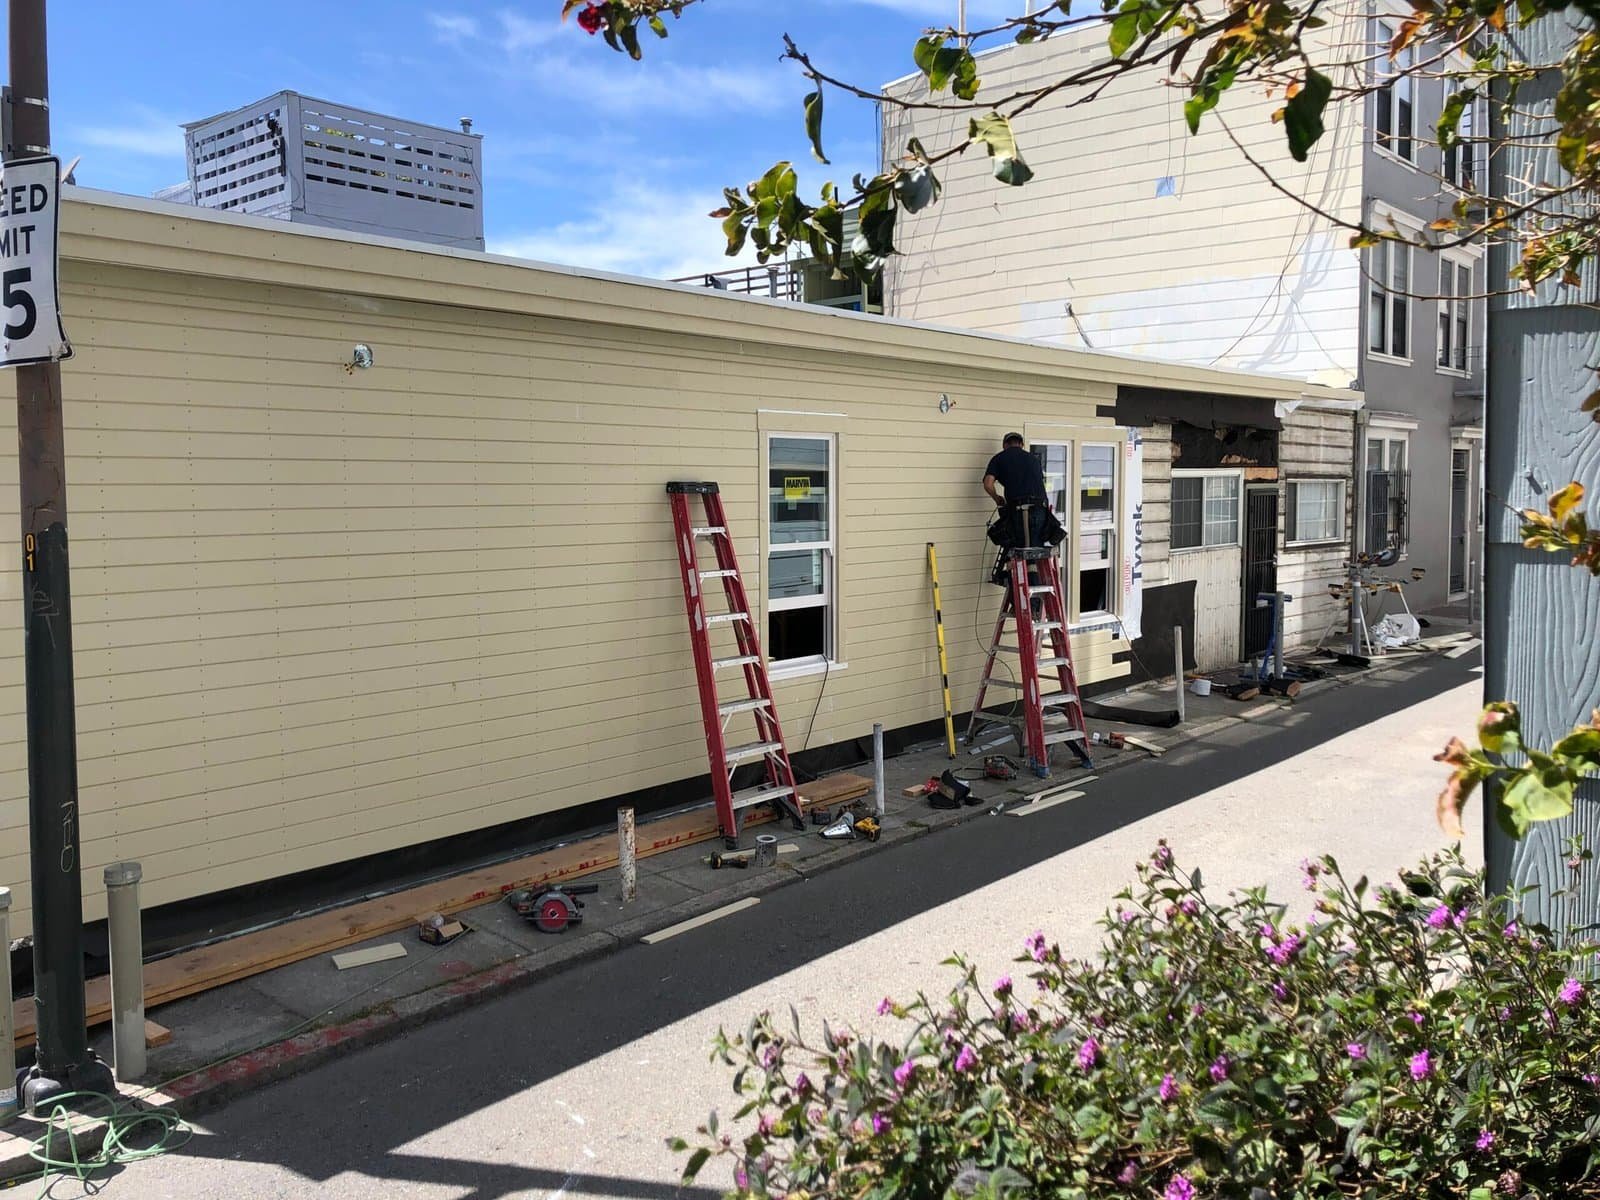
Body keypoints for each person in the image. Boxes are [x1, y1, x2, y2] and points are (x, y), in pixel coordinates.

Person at [983, 432, 1050, 549]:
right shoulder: (1034, 459)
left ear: (1004, 445)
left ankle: (1018, 560)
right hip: (1040, 508)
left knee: (1017, 549)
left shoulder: (999, 458)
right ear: (1022, 444)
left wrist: (997, 499)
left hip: (1018, 509)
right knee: (1036, 549)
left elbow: (988, 484)